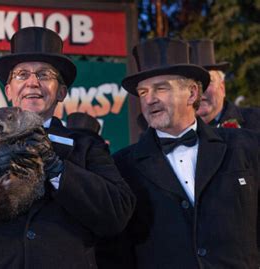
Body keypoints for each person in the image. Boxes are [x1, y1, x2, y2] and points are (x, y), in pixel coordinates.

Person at [0, 27, 135, 268]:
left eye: (45, 75)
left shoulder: (86, 146)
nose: (32, 83)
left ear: (62, 92)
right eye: (22, 74)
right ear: (8, 90)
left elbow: (117, 216)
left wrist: (59, 170)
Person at [103, 37, 260, 268]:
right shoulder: (123, 167)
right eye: (143, 92)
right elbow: (116, 251)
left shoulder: (246, 146)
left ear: (192, 93)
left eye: (161, 88)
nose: (150, 100)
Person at [190, 39, 260, 131]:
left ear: (222, 87)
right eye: (192, 84)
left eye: (208, 81)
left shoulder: (255, 121)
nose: (200, 90)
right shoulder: (174, 133)